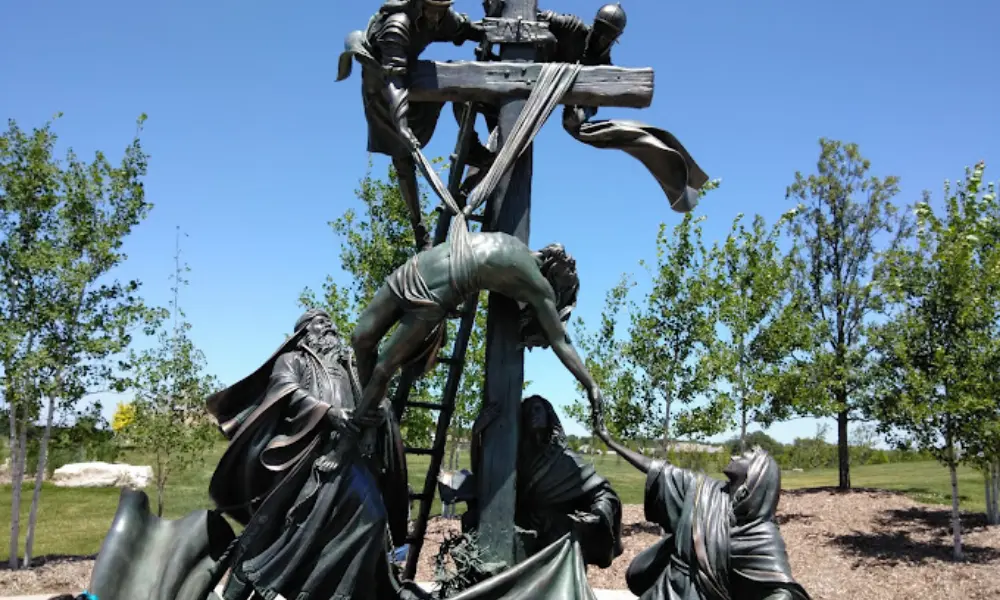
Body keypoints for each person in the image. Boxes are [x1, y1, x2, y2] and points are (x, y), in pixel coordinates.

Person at [205, 309, 416, 600]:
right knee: (291, 532)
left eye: (330, 323)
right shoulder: (293, 360)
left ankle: (345, 592)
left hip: (350, 458)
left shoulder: (350, 366)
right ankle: (246, 585)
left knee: (374, 520)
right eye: (320, 323)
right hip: (307, 455)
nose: (329, 327)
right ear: (305, 332)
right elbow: (286, 391)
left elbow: (375, 397)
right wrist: (330, 414)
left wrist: (378, 417)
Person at [350, 233, 605, 423]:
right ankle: (368, 408)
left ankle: (352, 435)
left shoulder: (531, 276)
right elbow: (560, 338)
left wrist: (589, 382)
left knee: (384, 367)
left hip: (433, 296)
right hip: (415, 269)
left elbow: (560, 340)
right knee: (360, 338)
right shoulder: (522, 257)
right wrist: (591, 384)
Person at [596, 425, 812, 600]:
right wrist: (610, 441)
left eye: (748, 455)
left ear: (754, 477)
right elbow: (658, 469)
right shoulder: (704, 489)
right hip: (664, 591)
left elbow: (782, 588)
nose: (739, 454)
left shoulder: (760, 532)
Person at [337, 0, 485, 251]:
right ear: (418, 5)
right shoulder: (397, 25)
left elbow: (466, 30)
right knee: (402, 157)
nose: (437, 19)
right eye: (433, 12)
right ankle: (419, 229)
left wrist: (495, 33)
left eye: (442, 12)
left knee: (461, 79)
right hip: (384, 87)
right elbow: (394, 82)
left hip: (410, 71)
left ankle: (469, 144)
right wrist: (402, 124)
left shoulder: (442, 15)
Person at [466, 395, 623, 568]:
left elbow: (603, 492)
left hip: (556, 538)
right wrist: (476, 435)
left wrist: (598, 513)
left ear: (549, 415)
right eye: (527, 411)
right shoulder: (516, 458)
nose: (533, 414)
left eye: (537, 409)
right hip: (518, 536)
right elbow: (484, 475)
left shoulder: (564, 459)